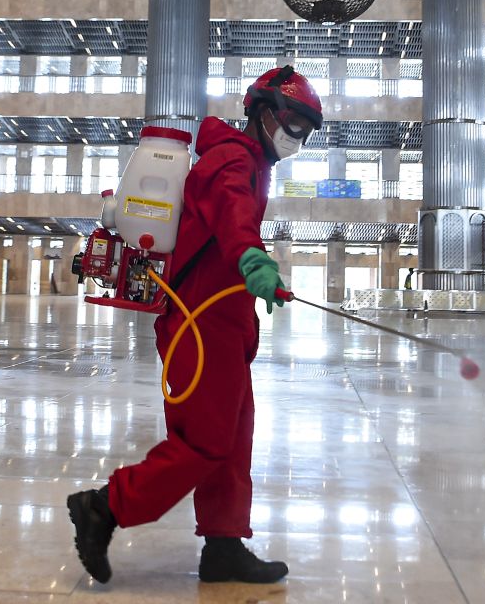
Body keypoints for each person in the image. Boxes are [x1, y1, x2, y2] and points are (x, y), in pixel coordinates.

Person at [67, 66, 323, 586]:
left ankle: (224, 546)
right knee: (204, 441)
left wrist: (250, 266)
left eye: (305, 126)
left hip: (223, 326)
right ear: (263, 113)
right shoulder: (232, 160)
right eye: (292, 121)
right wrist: (253, 259)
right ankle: (103, 507)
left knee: (232, 438)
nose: (296, 134)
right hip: (199, 326)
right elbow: (234, 220)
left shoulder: (252, 163)